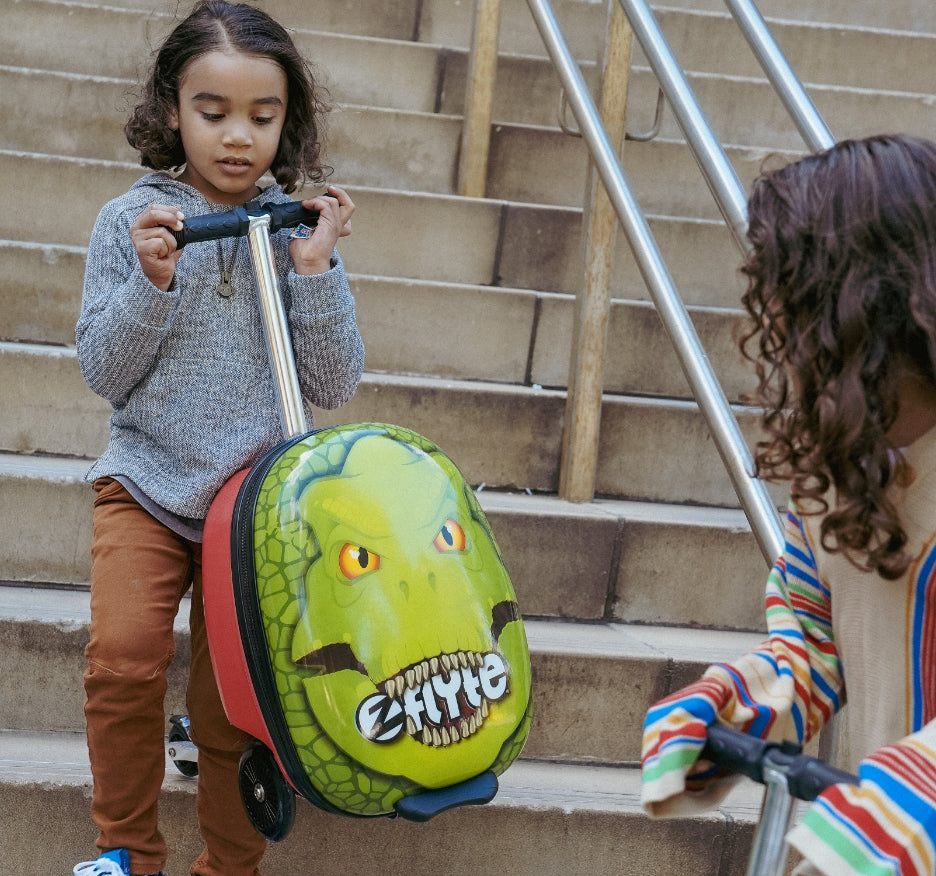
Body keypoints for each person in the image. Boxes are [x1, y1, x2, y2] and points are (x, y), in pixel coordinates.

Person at [73, 2, 363, 874]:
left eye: (262, 117)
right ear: (172, 109)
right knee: (123, 659)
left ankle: (228, 866)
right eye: (213, 112)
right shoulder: (132, 221)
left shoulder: (296, 228)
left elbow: (334, 382)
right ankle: (125, 851)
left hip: (259, 508)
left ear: (287, 121)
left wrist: (314, 273)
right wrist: (152, 285)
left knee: (236, 702)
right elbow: (103, 370)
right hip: (148, 483)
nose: (238, 137)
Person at [641, 133, 936, 875]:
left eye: (792, 301)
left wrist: (898, 807)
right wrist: (733, 706)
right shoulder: (840, 477)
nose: (772, 329)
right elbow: (812, 639)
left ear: (870, 310)